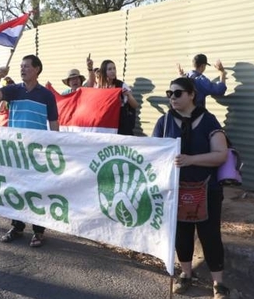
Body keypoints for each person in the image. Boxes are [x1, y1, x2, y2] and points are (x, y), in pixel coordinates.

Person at [152, 77, 230, 299]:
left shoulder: (208, 121)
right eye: (170, 94)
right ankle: (186, 274)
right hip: (175, 189)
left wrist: (190, 160)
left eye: (177, 93)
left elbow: (220, 155)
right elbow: (154, 154)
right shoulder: (164, 121)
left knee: (210, 235)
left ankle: (219, 284)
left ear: (191, 94)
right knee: (182, 235)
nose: (172, 98)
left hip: (207, 189)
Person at [0, 54, 59, 248]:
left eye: (26, 66)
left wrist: (56, 148)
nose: (22, 69)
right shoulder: (13, 90)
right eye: (20, 66)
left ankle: (38, 231)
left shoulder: (46, 95)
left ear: (37, 69)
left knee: (37, 191)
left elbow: (53, 123)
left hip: (37, 153)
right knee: (17, 190)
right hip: (16, 151)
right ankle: (17, 227)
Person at [97, 59, 138, 135]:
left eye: (114, 68)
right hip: (105, 124)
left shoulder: (121, 85)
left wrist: (128, 95)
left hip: (121, 124)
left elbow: (135, 105)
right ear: (103, 72)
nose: (113, 71)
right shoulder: (99, 87)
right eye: (109, 69)